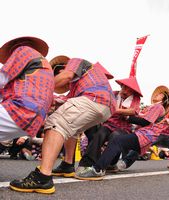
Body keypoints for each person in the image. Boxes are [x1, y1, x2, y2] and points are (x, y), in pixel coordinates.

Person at [10, 57, 116, 194]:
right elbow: (65, 100)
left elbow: (66, 76)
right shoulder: (79, 83)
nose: (63, 85)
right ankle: (67, 164)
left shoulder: (75, 62)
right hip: (106, 105)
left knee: (55, 122)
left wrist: (40, 89)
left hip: (95, 99)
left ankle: (43, 177)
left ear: (61, 69)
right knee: (70, 128)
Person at [75, 85, 169, 180]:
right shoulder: (151, 107)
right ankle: (105, 164)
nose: (155, 95)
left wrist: (128, 117)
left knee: (117, 140)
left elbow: (145, 122)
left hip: (145, 135)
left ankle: (97, 169)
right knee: (114, 140)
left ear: (163, 97)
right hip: (142, 134)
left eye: (159, 94)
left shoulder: (158, 107)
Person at [0, 36, 54, 142]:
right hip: (35, 119)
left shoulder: (22, 50)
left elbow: (1, 79)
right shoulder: (45, 66)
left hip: (20, 109)